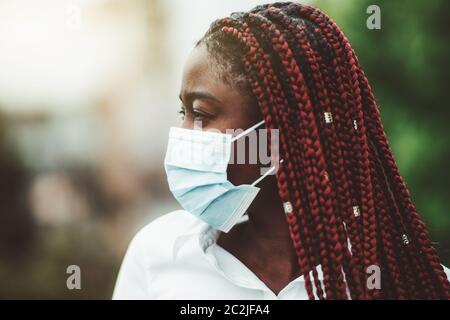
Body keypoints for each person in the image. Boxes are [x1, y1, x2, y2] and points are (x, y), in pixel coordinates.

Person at [113, 2, 450, 300]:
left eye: (201, 114)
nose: (184, 134)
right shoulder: (158, 255)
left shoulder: (407, 282)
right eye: (182, 113)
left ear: (278, 134)